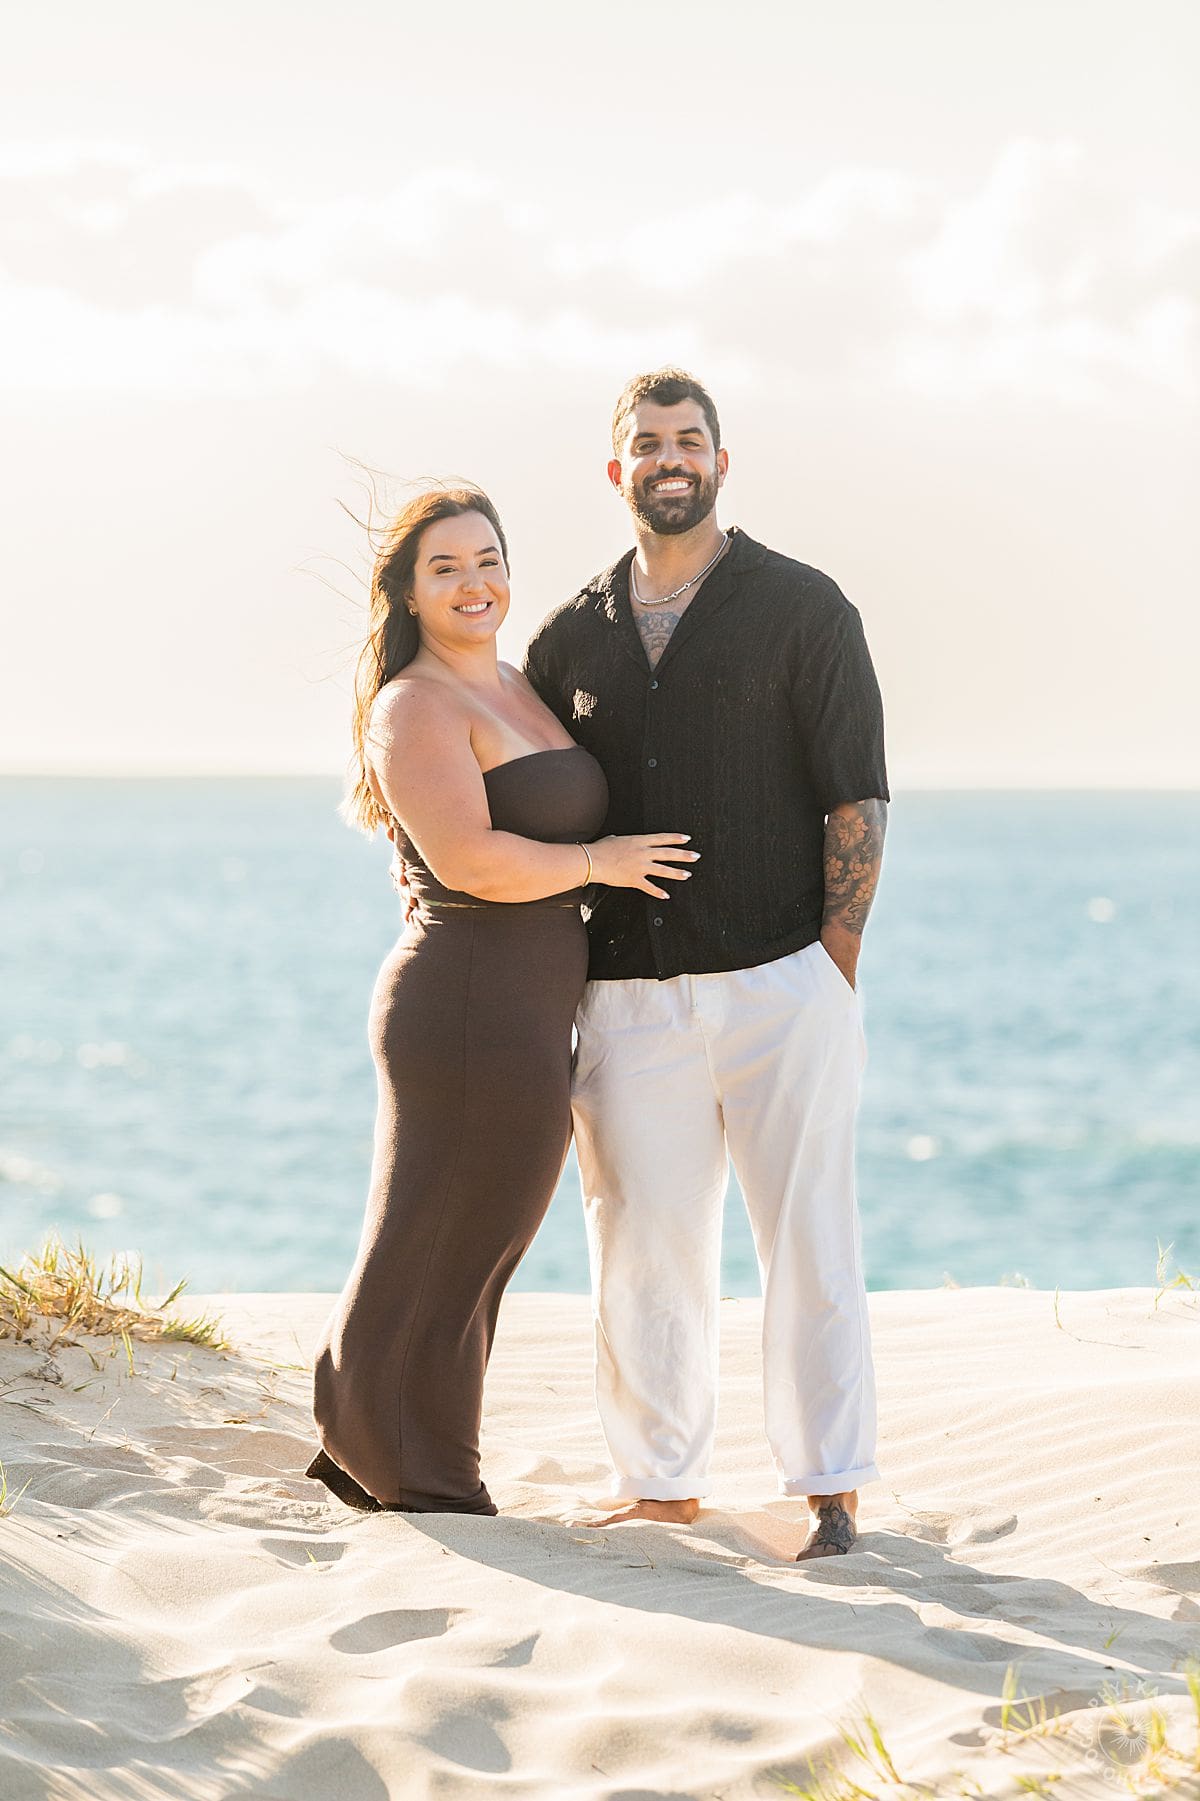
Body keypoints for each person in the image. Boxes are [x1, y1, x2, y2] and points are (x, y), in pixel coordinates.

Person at [523, 370, 889, 1560]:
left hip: (784, 980)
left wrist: (829, 967)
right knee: (638, 1241)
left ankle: (829, 1487)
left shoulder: (805, 608)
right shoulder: (566, 635)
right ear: (616, 470)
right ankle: (660, 1482)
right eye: (647, 442)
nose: (668, 457)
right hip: (626, 993)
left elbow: (856, 797)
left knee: (811, 1239)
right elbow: (527, 802)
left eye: (690, 440)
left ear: (722, 463)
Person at [306, 486, 696, 1515]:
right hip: (464, 1000)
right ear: (409, 593)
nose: (474, 582)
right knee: (445, 1227)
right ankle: (411, 1463)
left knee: (484, 1230)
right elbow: (471, 860)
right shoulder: (415, 704)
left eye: (487, 559)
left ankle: (378, 1436)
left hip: (523, 1004)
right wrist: (602, 860)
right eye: (446, 567)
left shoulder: (521, 687)